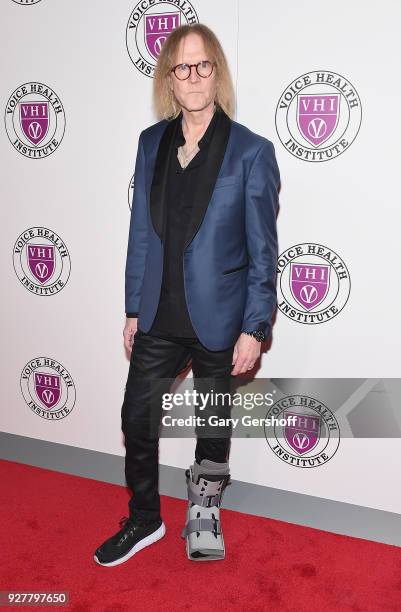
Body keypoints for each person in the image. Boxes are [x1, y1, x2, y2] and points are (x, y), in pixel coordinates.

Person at [94, 23, 280, 565]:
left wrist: (255, 325)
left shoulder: (251, 152)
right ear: (169, 81)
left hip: (222, 318)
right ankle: (146, 517)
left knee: (212, 425)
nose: (193, 76)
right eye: (182, 67)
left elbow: (264, 249)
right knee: (137, 417)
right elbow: (139, 234)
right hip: (158, 313)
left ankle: (203, 513)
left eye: (202, 66)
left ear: (216, 73)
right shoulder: (150, 143)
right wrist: (133, 307)